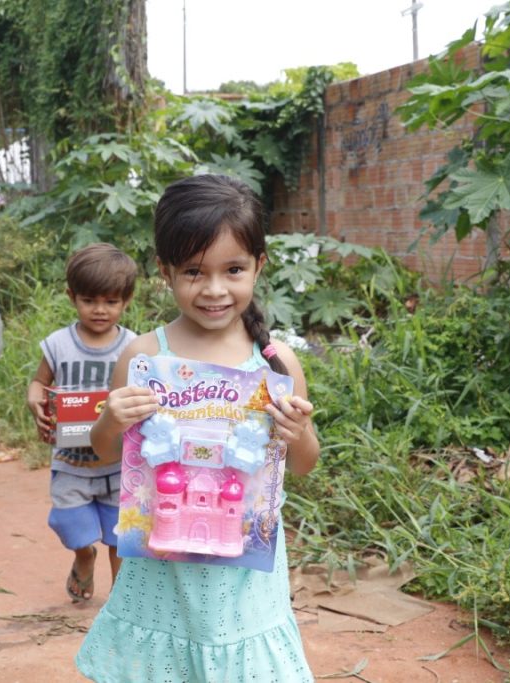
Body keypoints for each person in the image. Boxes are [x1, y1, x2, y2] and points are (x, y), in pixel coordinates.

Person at [77, 174, 320, 682]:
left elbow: (304, 465)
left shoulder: (275, 363)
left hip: (244, 572)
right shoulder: (145, 356)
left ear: (259, 264)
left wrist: (296, 432)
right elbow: (102, 455)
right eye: (193, 271)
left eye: (233, 269)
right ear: (165, 272)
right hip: (161, 564)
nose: (214, 290)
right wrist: (110, 419)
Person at [26, 243, 138, 603]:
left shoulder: (134, 348)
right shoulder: (59, 344)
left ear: (126, 300)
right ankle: (83, 556)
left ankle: (121, 602)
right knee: (72, 528)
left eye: (110, 301)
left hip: (120, 466)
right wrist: (34, 397)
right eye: (90, 300)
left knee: (121, 537)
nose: (100, 310)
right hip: (72, 464)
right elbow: (39, 381)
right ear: (72, 296)